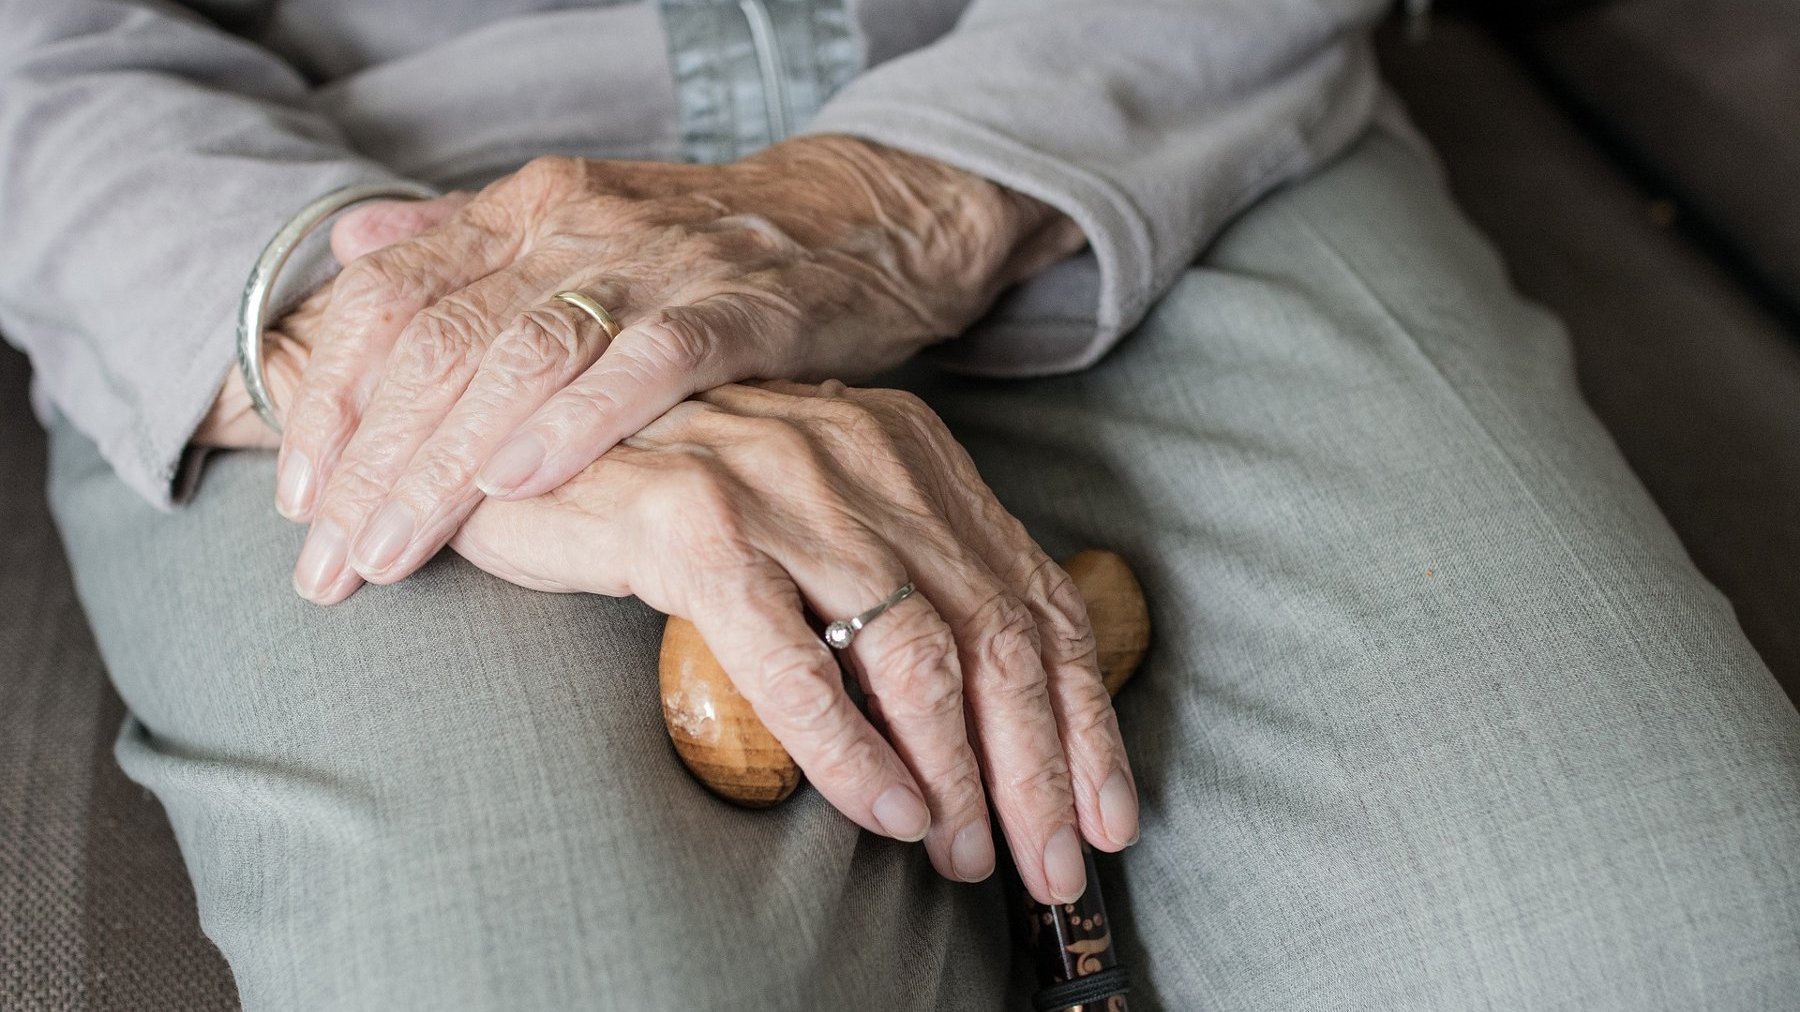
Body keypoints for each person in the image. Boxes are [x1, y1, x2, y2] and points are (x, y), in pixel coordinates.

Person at [5, 0, 1797, 1008]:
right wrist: (405, 343)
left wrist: (894, 198)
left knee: (1667, 950)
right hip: (331, 201)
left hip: (1127, 98)